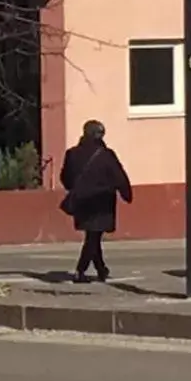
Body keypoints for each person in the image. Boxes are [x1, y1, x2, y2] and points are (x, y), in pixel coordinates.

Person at [59, 119, 133, 283]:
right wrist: (126, 194)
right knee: (93, 236)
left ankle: (101, 269)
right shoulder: (106, 155)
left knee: (93, 235)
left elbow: (65, 177)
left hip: (82, 201)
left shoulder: (72, 154)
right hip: (101, 201)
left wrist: (76, 189)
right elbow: (119, 176)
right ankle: (80, 270)